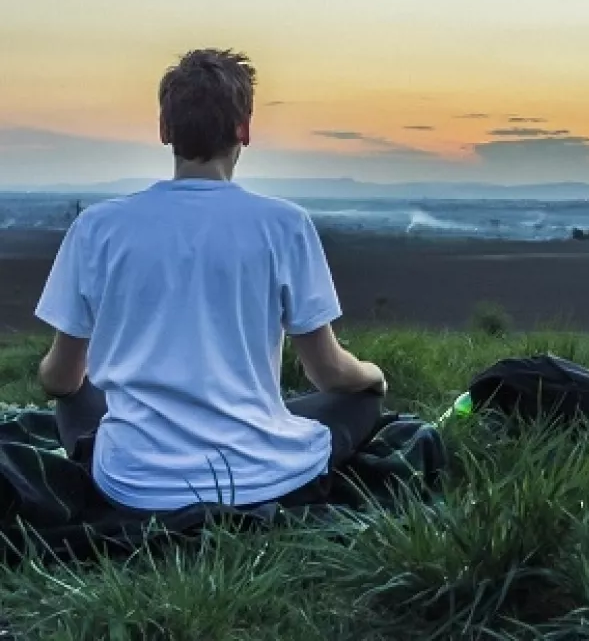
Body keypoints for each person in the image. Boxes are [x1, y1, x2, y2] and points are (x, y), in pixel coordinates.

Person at [33, 48, 388, 512]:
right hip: (260, 477)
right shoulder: (285, 224)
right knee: (359, 401)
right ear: (244, 129)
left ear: (165, 130)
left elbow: (59, 379)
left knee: (76, 394)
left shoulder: (97, 228)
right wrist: (373, 376)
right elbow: (328, 374)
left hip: (132, 484)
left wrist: (79, 382)